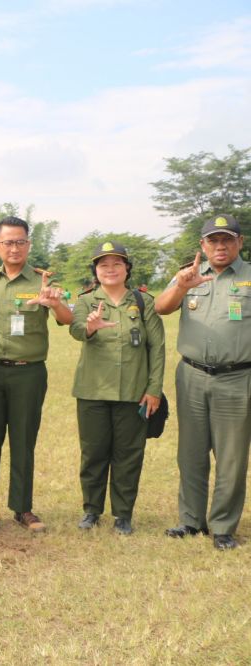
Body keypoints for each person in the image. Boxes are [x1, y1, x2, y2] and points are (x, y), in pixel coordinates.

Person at [154, 214, 251, 550]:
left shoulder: (250, 276)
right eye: (213, 240)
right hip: (192, 374)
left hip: (238, 377)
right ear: (203, 245)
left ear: (240, 242)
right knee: (191, 452)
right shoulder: (189, 275)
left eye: (227, 240)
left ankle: (222, 526)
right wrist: (181, 285)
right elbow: (161, 308)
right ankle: (190, 520)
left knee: (232, 456)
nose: (220, 246)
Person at [0, 216, 72, 533]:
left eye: (20, 242)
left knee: (23, 440)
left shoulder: (43, 282)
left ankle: (23, 507)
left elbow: (67, 320)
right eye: (7, 242)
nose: (14, 248)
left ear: (29, 245)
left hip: (28, 373)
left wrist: (54, 304)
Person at [70, 241, 165, 535]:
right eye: (103, 265)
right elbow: (75, 329)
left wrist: (154, 389)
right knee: (94, 453)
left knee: (129, 454)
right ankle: (91, 511)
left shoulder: (143, 302)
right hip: (93, 391)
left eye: (116, 264)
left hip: (133, 392)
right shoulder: (87, 300)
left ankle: (123, 514)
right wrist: (90, 327)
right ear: (95, 271)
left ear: (127, 269)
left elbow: (157, 347)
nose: (110, 270)